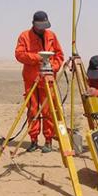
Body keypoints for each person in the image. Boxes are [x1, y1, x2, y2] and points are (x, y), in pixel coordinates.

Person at [15, 11, 64, 153]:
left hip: (48, 79)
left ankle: (48, 141)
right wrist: (37, 58)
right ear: (33, 24)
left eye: (44, 25)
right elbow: (19, 55)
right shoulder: (24, 36)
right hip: (31, 80)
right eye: (40, 26)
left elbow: (59, 55)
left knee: (48, 111)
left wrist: (52, 68)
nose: (43, 28)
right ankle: (33, 140)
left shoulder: (51, 36)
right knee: (32, 110)